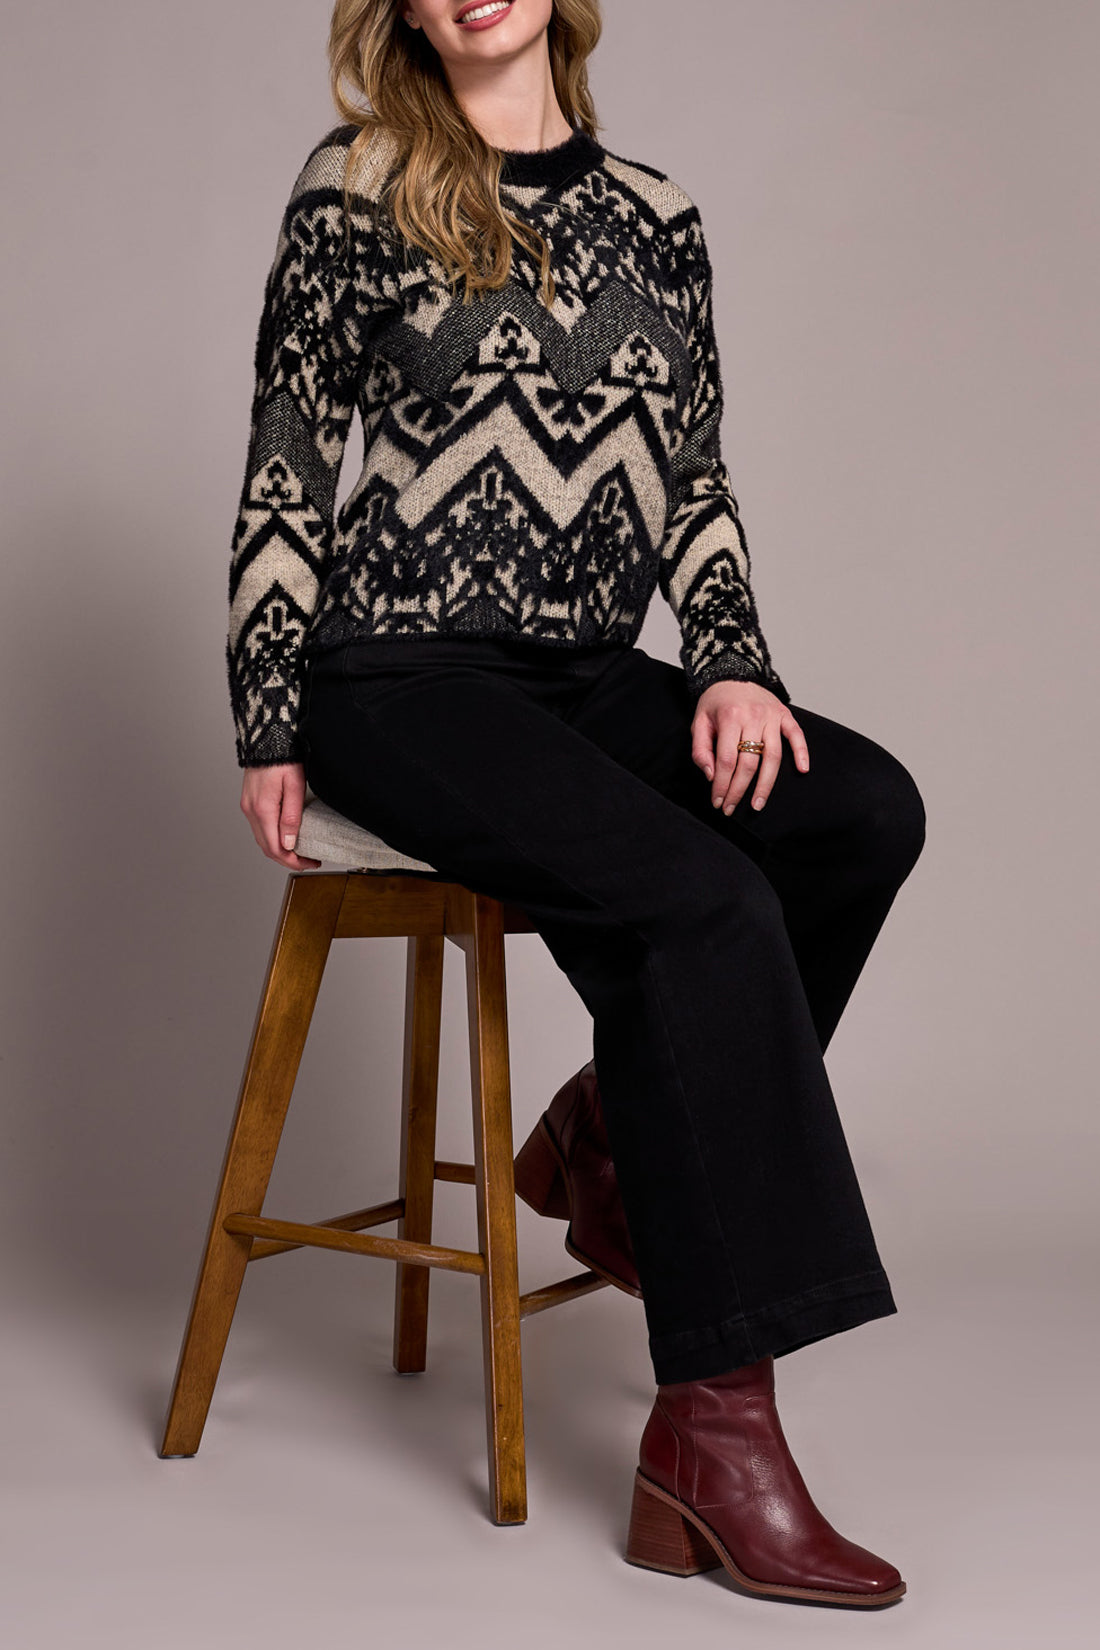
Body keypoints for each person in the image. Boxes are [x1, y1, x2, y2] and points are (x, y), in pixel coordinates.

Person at [226, 0, 925, 1610]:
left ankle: (609, 1130)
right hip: (393, 679)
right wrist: (267, 709)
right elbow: (288, 458)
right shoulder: (357, 185)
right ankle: (714, 1434)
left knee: (858, 814)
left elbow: (696, 475)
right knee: (702, 901)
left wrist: (733, 664)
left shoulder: (656, 216)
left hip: (588, 673)